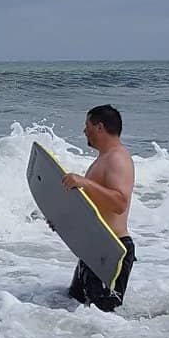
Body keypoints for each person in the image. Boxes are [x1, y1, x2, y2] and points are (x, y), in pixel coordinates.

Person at [59, 104, 137, 311]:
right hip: (95, 248)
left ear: (100, 127)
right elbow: (96, 207)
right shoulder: (102, 159)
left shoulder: (118, 159)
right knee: (74, 309)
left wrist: (84, 182)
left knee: (103, 318)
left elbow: (120, 203)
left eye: (87, 125)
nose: (84, 131)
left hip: (112, 248)